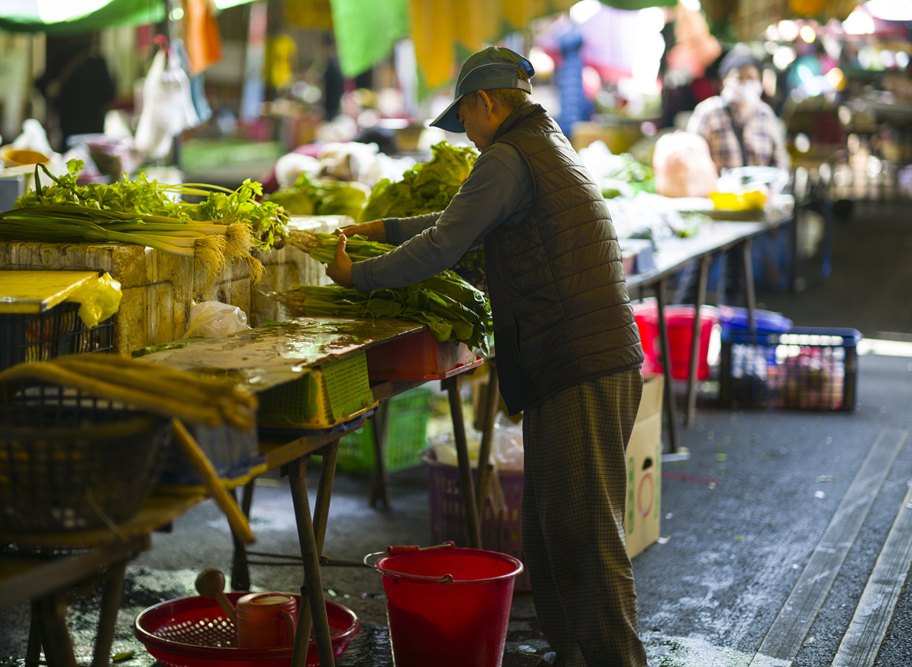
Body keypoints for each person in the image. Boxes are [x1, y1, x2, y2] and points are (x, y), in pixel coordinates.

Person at [325, 46, 648, 667]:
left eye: (464, 119)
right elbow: (463, 220)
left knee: (583, 533)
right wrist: (384, 229)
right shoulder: (542, 143)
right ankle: (576, 653)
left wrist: (356, 276)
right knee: (553, 528)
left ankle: (613, 658)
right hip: (577, 360)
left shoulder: (509, 155)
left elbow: (446, 243)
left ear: (485, 102)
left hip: (580, 360)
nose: (467, 137)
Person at [674, 45, 791, 306]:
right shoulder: (708, 112)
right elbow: (690, 158)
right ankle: (681, 323)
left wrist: (775, 186)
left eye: (752, 78)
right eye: (740, 77)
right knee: (700, 266)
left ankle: (729, 330)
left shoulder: (765, 115)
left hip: (749, 209)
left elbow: (780, 162)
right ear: (725, 80)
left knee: (737, 271)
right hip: (715, 207)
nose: (746, 84)